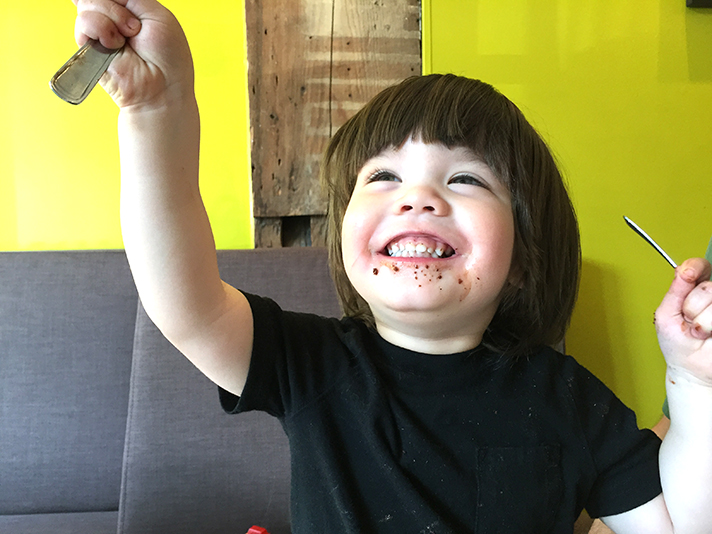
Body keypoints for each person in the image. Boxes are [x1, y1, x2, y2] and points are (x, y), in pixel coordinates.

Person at [71, 0, 712, 532]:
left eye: (465, 178)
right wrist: (156, 110)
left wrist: (697, 384)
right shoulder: (313, 363)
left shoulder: (568, 400)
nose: (418, 197)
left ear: (523, 259)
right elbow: (186, 306)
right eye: (382, 176)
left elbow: (675, 525)